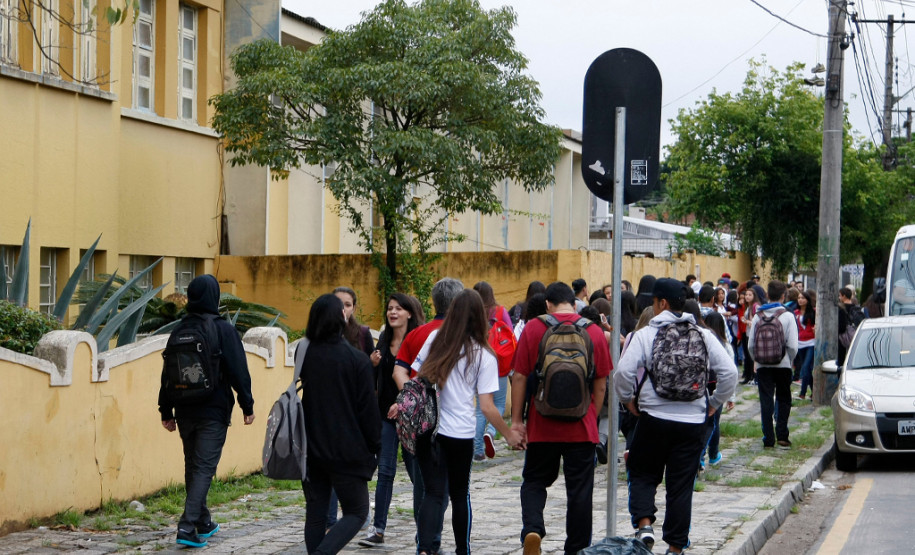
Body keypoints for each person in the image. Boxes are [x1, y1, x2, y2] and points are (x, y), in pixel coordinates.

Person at [614, 278, 737, 555]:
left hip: (653, 418)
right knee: (681, 486)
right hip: (692, 422)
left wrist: (628, 401)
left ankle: (645, 526)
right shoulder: (703, 335)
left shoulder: (646, 334)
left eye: (654, 302)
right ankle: (675, 547)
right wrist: (714, 404)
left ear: (662, 303)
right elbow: (730, 373)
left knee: (643, 472)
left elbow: (622, 374)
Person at [405, 289, 524, 555]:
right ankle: (463, 550)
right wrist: (507, 434)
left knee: (433, 494)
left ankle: (424, 549)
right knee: (460, 496)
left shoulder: (436, 339)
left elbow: (417, 377)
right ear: (480, 318)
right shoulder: (483, 354)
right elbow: (487, 407)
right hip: (459, 434)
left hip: (428, 430)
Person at [510, 282, 612, 555]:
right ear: (574, 302)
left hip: (542, 424)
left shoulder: (534, 328)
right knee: (580, 492)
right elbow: (601, 383)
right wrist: (590, 413)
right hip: (581, 427)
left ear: (547, 304)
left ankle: (532, 529)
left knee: (534, 480)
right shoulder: (594, 332)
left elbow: (519, 377)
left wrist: (518, 422)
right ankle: (577, 550)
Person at [158, 275, 256, 549]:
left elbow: (167, 373)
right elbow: (238, 370)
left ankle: (203, 521)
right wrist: (247, 405)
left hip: (184, 409)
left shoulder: (179, 329)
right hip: (213, 410)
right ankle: (188, 526)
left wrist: (165, 410)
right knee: (203, 468)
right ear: (214, 297)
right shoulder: (223, 329)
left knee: (194, 466)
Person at [299, 294, 381, 555]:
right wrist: (375, 446)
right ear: (340, 319)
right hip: (347, 450)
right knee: (357, 512)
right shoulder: (356, 360)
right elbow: (368, 411)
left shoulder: (306, 354)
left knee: (316, 513)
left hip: (311, 447)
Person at [393, 277, 464, 555]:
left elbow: (399, 371)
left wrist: (413, 400)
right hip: (451, 423)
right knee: (443, 489)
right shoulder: (462, 335)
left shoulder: (416, 334)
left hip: (419, 422)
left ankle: (424, 540)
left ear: (433, 302)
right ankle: (431, 541)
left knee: (422, 485)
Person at [360, 293, 424, 547]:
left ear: (410, 312)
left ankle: (424, 528)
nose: (393, 312)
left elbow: (422, 378)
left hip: (412, 416)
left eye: (398, 308)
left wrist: (404, 403)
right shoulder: (384, 340)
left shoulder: (419, 340)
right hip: (386, 416)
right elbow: (373, 379)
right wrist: (372, 364)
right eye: (390, 308)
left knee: (416, 473)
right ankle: (378, 529)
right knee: (385, 471)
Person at [326, 286, 375, 529]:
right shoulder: (320, 335)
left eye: (347, 304)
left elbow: (368, 373)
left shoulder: (362, 333)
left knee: (354, 464)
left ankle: (356, 511)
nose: (343, 308)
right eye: (338, 304)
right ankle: (329, 516)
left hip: (355, 410)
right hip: (329, 411)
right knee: (329, 464)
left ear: (354, 307)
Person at [748, 281, 798, 449]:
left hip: (763, 365)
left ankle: (768, 438)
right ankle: (782, 435)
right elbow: (792, 345)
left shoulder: (757, 316)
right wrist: (789, 360)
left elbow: (750, 344)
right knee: (784, 398)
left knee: (765, 399)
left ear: (767, 295)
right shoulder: (788, 316)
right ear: (783, 296)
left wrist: (757, 358)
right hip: (783, 364)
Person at [472, 281, 514, 460]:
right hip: (499, 363)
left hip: (477, 363)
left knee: (481, 408)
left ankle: (477, 450)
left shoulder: (471, 312)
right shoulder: (500, 311)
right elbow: (511, 336)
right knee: (498, 404)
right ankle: (490, 431)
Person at [699, 311, 736, 471]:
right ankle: (713, 455)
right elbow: (731, 371)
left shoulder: (702, 340)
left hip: (702, 386)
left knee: (703, 424)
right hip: (718, 388)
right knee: (714, 423)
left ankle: (700, 457)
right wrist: (730, 396)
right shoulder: (725, 345)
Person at [795, 290, 816, 400]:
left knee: (806, 367)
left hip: (811, 342)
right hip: (800, 343)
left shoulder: (814, 311)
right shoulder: (796, 313)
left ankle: (802, 394)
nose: (800, 300)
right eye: (799, 298)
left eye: (803, 298)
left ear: (807, 300)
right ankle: (813, 392)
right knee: (807, 369)